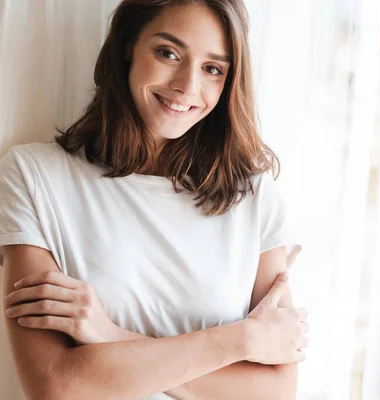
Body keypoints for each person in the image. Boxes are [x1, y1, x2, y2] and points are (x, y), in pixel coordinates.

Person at [0, 0, 309, 399]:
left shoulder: (252, 196)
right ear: (128, 45)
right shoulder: (33, 175)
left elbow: (276, 391)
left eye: (212, 69)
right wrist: (241, 341)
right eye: (168, 53)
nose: (186, 86)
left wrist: (109, 335)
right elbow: (56, 385)